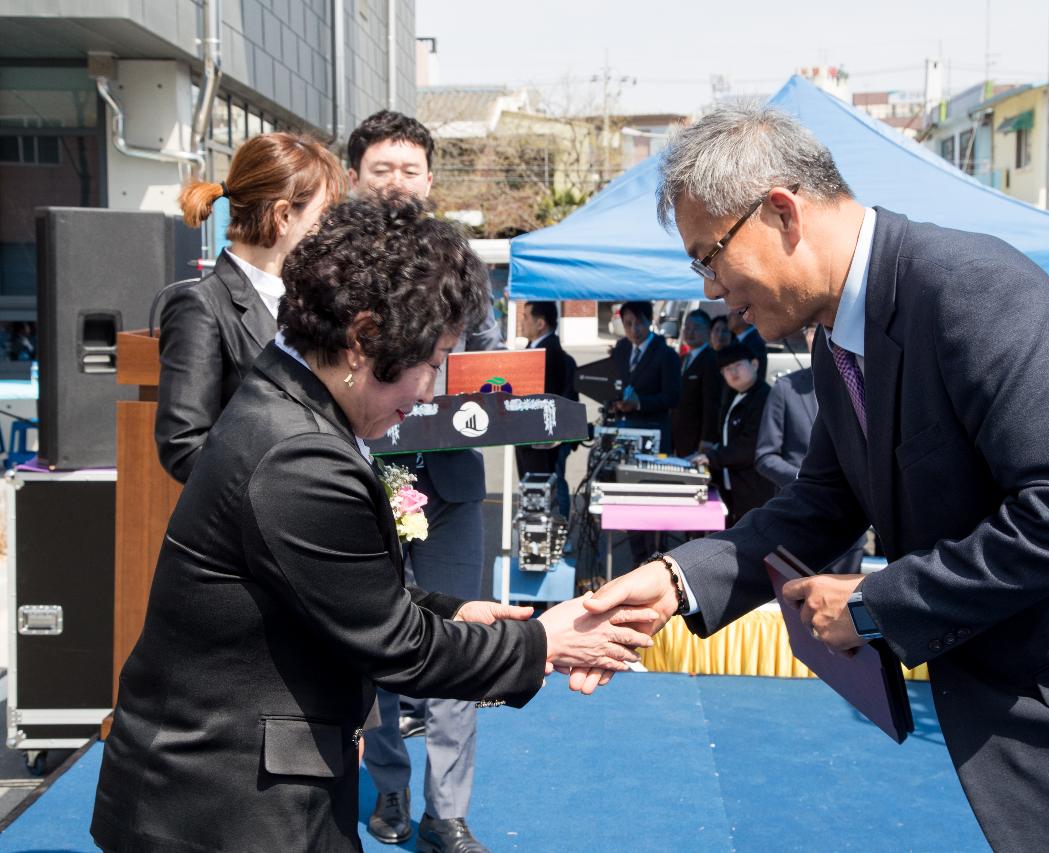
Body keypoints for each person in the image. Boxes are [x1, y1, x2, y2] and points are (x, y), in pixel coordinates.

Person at [582, 105, 1049, 852]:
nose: (711, 289)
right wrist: (676, 579)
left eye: (709, 256)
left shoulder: (967, 289)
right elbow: (824, 502)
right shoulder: (838, 339)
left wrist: (876, 604)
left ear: (782, 211)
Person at [91, 197, 653, 853]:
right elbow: (398, 646)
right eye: (433, 359)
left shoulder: (292, 399)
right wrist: (545, 643)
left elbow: (337, 583)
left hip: (232, 787)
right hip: (220, 806)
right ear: (362, 337)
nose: (431, 390)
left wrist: (456, 609)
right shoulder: (298, 451)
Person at [345, 109, 502, 852]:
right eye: (383, 169)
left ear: (431, 179)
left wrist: (483, 391)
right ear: (355, 178)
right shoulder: (335, 260)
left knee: (459, 635)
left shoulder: (461, 260)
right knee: (374, 640)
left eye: (411, 170)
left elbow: (496, 364)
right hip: (364, 478)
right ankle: (390, 787)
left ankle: (449, 811)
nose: (398, 182)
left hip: (451, 484)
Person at [156, 132, 344, 483]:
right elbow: (183, 446)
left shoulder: (312, 296)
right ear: (283, 216)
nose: (324, 233)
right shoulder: (201, 306)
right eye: (319, 221)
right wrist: (283, 491)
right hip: (255, 521)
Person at [754, 325, 863, 572]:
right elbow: (765, 455)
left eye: (822, 329)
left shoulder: (855, 382)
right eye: (811, 330)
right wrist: (806, 480)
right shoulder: (785, 388)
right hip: (800, 518)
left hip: (850, 524)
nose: (817, 335)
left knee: (845, 607)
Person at [690, 342, 775, 525]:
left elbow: (749, 446)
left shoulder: (765, 397)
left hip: (756, 488)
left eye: (738, 365)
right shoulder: (733, 394)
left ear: (754, 364)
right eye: (727, 369)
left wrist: (712, 457)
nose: (733, 372)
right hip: (733, 487)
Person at [515, 300, 577, 517]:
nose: (521, 322)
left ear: (540, 323)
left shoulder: (549, 352)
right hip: (529, 437)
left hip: (543, 439)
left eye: (525, 317)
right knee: (534, 487)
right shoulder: (535, 349)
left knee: (546, 486)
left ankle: (554, 535)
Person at [608, 300, 681, 453]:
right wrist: (615, 402)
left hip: (654, 432)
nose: (634, 329)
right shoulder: (621, 348)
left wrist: (639, 403)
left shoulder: (666, 354)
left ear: (650, 320)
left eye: (639, 322)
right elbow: (614, 382)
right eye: (628, 324)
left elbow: (672, 397)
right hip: (622, 429)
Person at [670, 308, 721, 458]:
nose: (690, 332)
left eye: (696, 328)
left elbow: (712, 403)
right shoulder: (683, 359)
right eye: (687, 327)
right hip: (677, 433)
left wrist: (707, 438)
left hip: (697, 437)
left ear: (708, 331)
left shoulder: (712, 360)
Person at [726, 303, 768, 376]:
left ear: (745, 316)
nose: (728, 317)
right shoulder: (737, 340)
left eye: (732, 314)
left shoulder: (755, 342)